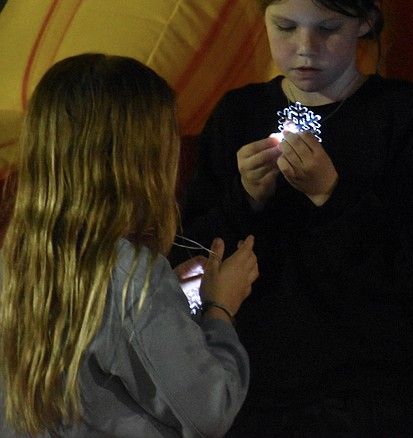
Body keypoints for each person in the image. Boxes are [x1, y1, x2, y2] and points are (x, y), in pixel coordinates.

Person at [176, 0, 413, 437]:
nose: (305, 48)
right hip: (252, 362)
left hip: (367, 368)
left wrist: (333, 195)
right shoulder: (239, 115)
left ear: (367, 21)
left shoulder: (402, 115)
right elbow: (185, 263)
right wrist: (245, 201)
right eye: (285, 27)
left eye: (328, 28)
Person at [0, 54, 259, 437]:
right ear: (142, 158)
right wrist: (220, 308)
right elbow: (209, 409)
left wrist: (165, 295)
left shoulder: (16, 259)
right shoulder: (131, 277)